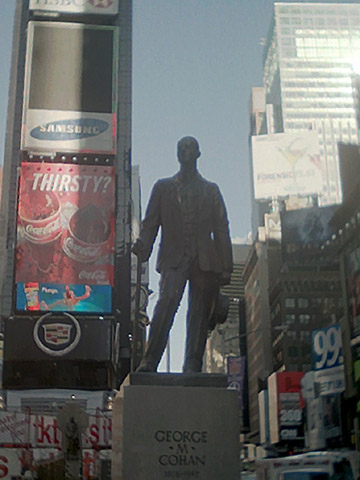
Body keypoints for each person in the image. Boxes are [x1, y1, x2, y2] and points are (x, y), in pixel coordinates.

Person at [132, 136, 233, 373]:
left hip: (204, 261)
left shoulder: (211, 190)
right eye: (182, 149)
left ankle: (193, 363)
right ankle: (150, 360)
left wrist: (226, 265)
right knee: (166, 304)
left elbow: (221, 228)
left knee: (198, 313)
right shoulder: (162, 188)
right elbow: (150, 223)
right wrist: (144, 245)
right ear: (178, 155)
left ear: (198, 153)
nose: (186, 152)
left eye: (190, 148)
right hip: (174, 258)